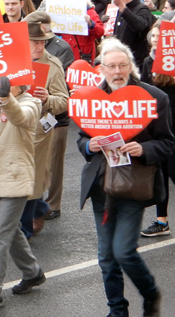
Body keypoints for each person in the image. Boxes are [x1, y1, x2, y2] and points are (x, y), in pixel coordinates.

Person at [77, 39, 174, 317]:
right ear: (102, 69)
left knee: (123, 251)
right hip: (101, 186)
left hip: (134, 184)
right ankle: (117, 310)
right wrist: (88, 146)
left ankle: (150, 292)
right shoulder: (90, 98)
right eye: (111, 66)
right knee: (106, 257)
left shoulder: (155, 97)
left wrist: (144, 148)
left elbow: (167, 142)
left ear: (130, 66)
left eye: (122, 65)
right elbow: (82, 137)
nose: (117, 72)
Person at [0, 76, 45, 313]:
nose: (0, 83)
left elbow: (21, 118)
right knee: (11, 232)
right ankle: (33, 273)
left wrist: (5, 97)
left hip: (16, 180)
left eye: (7, 80)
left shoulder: (31, 103)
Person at [21, 20, 69, 239]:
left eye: (42, 42)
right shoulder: (13, 60)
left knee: (34, 180)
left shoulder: (53, 65)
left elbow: (64, 101)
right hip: (14, 128)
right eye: (34, 42)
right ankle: (39, 208)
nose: (39, 47)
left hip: (39, 129)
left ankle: (24, 229)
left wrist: (48, 99)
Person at [140, 25, 175, 238]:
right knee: (161, 173)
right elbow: (143, 94)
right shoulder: (148, 61)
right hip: (160, 127)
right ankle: (162, 220)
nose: (155, 39)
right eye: (153, 35)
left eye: (160, 36)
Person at [112, 0, 155, 69]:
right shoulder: (122, 9)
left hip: (136, 63)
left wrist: (122, 7)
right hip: (121, 61)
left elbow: (139, 26)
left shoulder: (142, 9)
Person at [60, 0, 104, 65]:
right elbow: (59, 32)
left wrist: (90, 23)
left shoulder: (90, 12)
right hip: (67, 53)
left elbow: (100, 32)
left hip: (83, 54)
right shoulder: (63, 12)